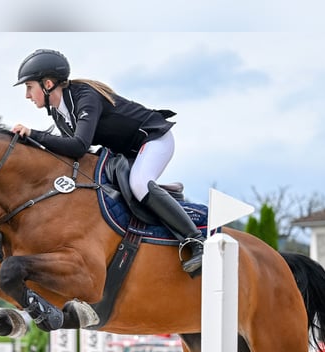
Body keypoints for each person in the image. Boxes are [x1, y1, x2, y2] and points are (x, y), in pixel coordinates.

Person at [12, 49, 203, 276]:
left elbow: (79, 146)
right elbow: (70, 155)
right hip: (127, 153)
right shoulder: (59, 112)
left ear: (48, 83)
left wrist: (33, 133)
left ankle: (196, 241)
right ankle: (161, 197)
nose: (27, 95)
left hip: (154, 139)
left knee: (139, 184)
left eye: (29, 87)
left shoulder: (85, 97)